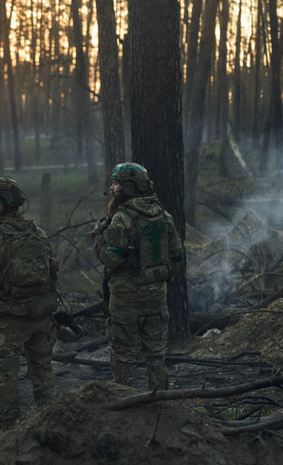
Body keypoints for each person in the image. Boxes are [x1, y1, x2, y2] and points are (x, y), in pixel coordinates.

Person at [0, 176, 59, 425]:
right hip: (41, 315)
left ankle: (9, 425)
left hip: (8, 320)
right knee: (43, 370)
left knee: (7, 376)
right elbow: (52, 275)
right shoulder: (39, 235)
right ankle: (52, 419)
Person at [92, 162, 184, 390]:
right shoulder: (164, 215)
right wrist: (158, 278)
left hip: (125, 300)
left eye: (116, 184)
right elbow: (178, 256)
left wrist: (99, 239)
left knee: (123, 356)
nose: (113, 188)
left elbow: (111, 258)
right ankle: (160, 403)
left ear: (129, 188)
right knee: (156, 356)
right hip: (156, 299)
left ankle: (126, 403)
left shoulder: (122, 218)